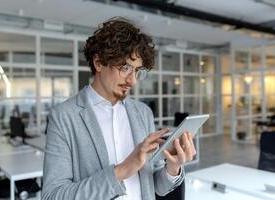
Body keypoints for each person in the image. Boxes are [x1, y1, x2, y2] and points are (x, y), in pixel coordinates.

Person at [42, 17, 196, 200]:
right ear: (98, 62)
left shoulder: (142, 113)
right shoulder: (64, 117)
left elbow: (155, 187)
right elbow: (52, 196)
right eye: (125, 68)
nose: (132, 80)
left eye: (137, 71)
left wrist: (173, 167)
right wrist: (122, 171)